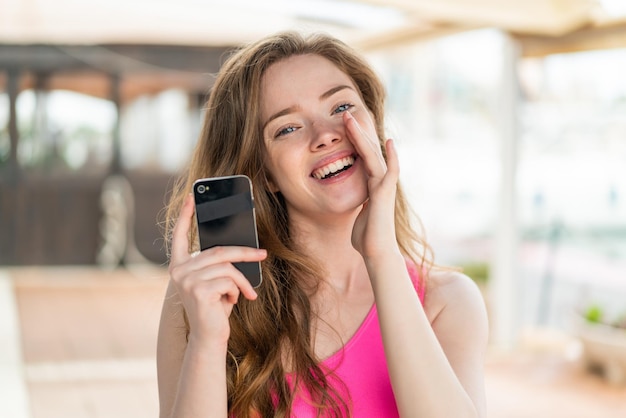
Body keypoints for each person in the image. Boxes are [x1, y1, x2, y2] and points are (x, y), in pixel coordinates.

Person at [157, 31, 489, 418]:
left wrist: (381, 255)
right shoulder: (204, 297)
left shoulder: (447, 303)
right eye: (287, 128)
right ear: (264, 174)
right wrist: (208, 341)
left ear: (374, 127)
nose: (325, 135)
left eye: (341, 106)